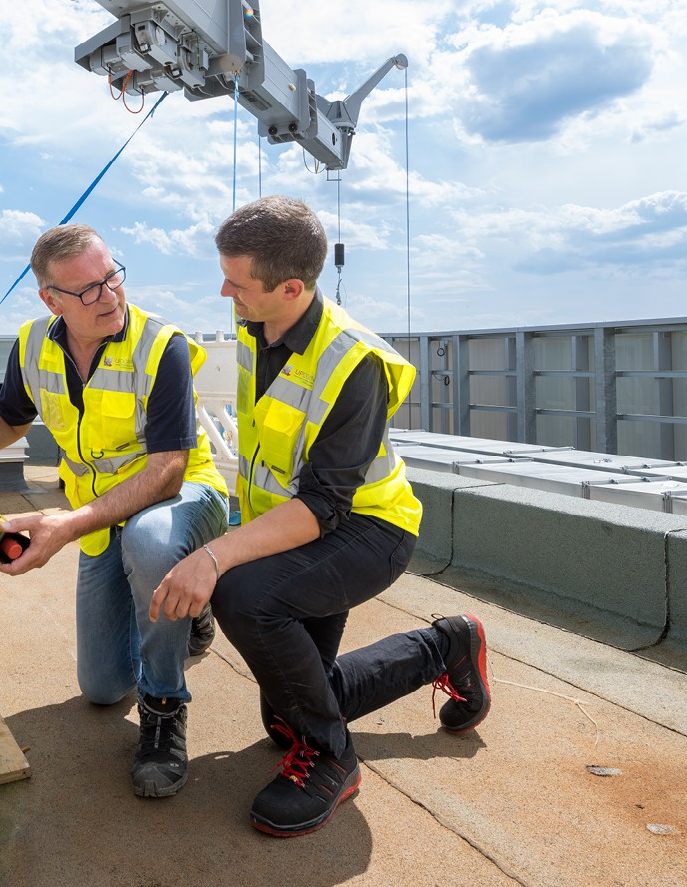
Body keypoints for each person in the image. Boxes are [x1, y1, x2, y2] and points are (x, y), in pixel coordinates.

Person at [147, 195, 492, 837]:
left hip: (367, 530)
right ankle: (446, 646)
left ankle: (333, 758)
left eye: (237, 281)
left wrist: (214, 555)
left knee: (244, 596)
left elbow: (326, 504)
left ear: (291, 287)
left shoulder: (355, 363)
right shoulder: (258, 327)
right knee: (287, 717)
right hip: (299, 531)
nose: (224, 291)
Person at [0, 224, 228, 798]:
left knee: (150, 544)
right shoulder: (33, 343)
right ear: (50, 300)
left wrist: (65, 527)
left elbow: (166, 471)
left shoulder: (162, 345)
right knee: (103, 689)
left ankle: (164, 709)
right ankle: (187, 613)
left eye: (112, 278)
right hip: (103, 516)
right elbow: (7, 416)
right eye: (86, 290)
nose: (109, 297)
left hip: (182, 498)